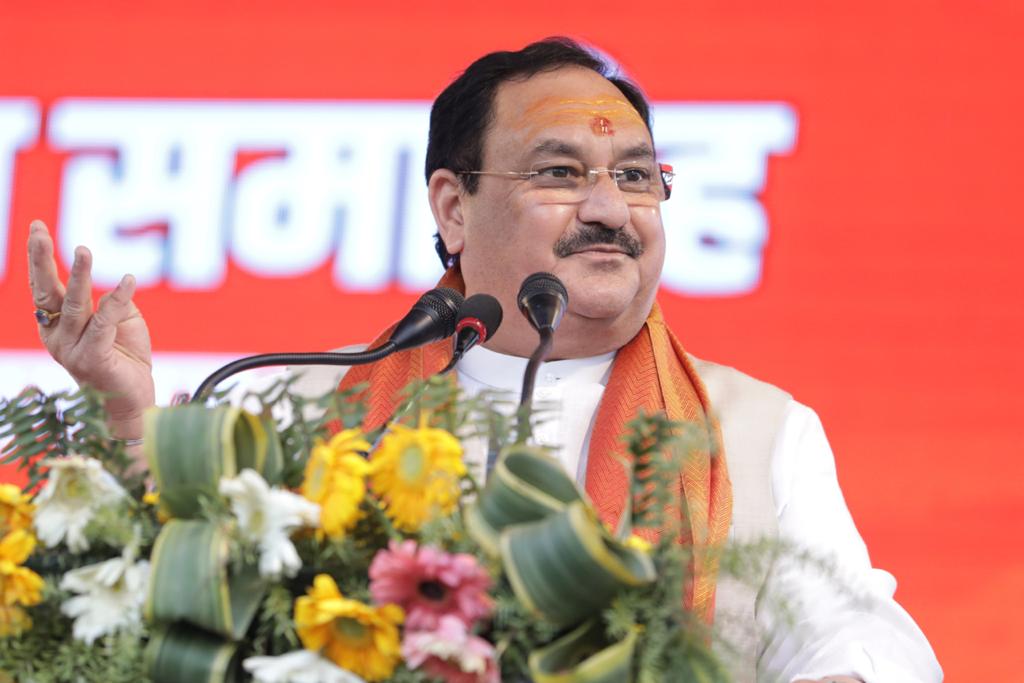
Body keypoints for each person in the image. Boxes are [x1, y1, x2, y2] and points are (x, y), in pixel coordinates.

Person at [26, 38, 941, 683]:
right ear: (453, 208)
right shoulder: (296, 404)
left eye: (634, 175)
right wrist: (130, 415)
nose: (611, 208)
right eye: (559, 171)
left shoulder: (759, 429)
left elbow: (855, 624)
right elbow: (175, 608)